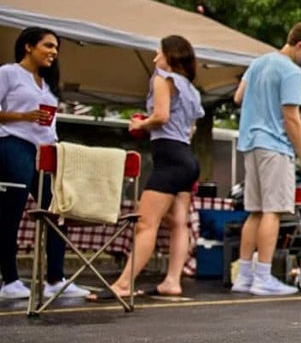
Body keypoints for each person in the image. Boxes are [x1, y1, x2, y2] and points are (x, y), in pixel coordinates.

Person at [89, 35, 205, 301]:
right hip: (187, 156)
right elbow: (191, 129)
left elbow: (161, 116)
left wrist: (140, 124)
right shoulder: (191, 88)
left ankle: (123, 284)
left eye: (158, 53)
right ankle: (172, 281)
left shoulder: (162, 78)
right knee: (179, 223)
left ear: (171, 56)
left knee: (145, 223)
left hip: (169, 156)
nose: (155, 59)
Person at [231, 21, 301, 296]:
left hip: (250, 142)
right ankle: (263, 277)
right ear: (300, 45)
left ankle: (245, 276)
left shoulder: (259, 62)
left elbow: (239, 97)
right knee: (272, 211)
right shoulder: (291, 71)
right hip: (275, 145)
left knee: (255, 211)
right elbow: (291, 117)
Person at [0, 27, 86, 299]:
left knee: (57, 211)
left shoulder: (47, 84)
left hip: (45, 151)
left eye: (56, 48)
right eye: (48, 46)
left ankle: (55, 279)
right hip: (13, 143)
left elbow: (49, 124)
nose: (54, 52)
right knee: (11, 212)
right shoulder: (9, 73)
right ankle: (9, 280)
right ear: (28, 46)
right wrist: (24, 116)